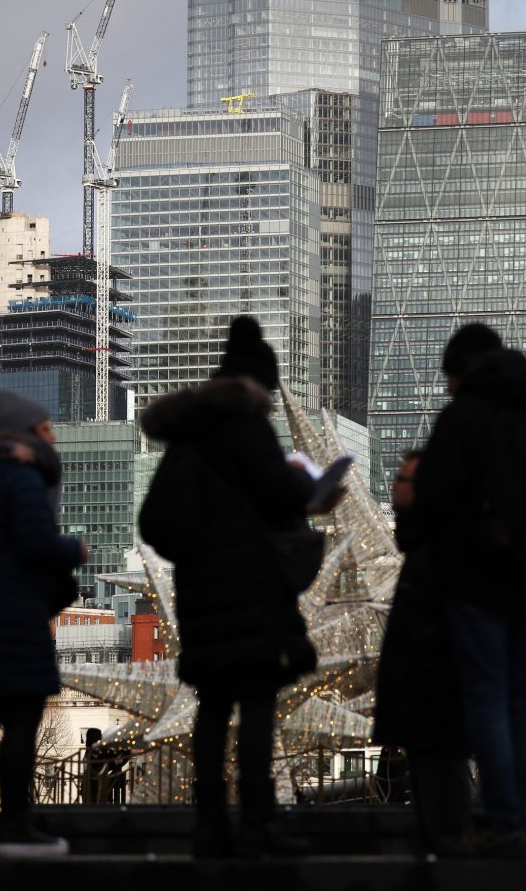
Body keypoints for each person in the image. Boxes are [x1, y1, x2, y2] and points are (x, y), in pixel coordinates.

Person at [139, 315, 323, 858]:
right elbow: (276, 493)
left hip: (202, 598)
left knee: (213, 709)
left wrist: (200, 554)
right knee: (259, 705)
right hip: (255, 596)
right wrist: (307, 490)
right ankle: (260, 821)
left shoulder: (187, 442)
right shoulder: (250, 428)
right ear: (257, 386)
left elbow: (155, 522)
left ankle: (209, 822)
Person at [410, 323, 526, 855]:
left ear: (462, 370)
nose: (447, 387)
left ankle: (503, 817)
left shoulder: (465, 416)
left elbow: (431, 499)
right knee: (524, 702)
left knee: (488, 699)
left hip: (477, 583)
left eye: (448, 377)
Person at [0, 389, 87, 857]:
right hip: (15, 621)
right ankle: (15, 827)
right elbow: (35, 545)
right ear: (24, 434)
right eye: (46, 428)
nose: (53, 437)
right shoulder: (22, 480)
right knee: (21, 724)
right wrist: (74, 550)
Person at [372, 448, 472, 854]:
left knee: (443, 781)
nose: (394, 488)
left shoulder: (446, 548)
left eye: (403, 481)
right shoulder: (421, 544)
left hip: (439, 696)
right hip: (421, 696)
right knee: (431, 784)